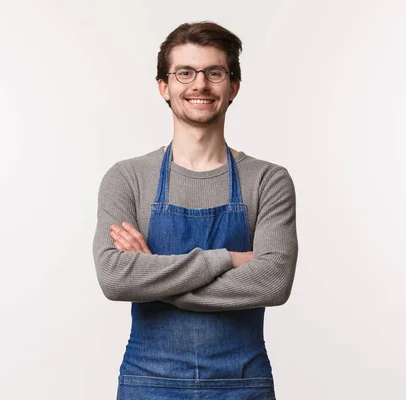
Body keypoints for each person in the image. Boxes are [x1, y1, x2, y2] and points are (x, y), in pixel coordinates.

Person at [93, 21, 298, 400]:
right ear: (164, 87)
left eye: (214, 72)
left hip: (242, 384)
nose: (199, 84)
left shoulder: (268, 180)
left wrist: (154, 277)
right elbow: (115, 279)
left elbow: (274, 281)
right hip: (148, 383)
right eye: (185, 72)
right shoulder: (128, 178)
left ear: (233, 87)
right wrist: (230, 259)